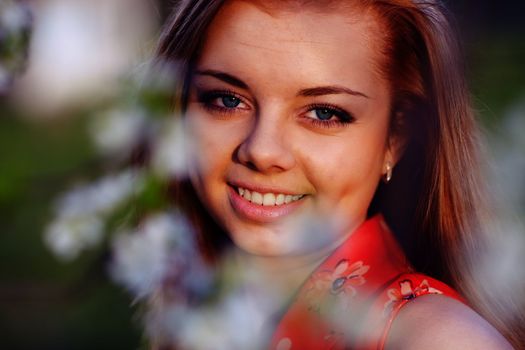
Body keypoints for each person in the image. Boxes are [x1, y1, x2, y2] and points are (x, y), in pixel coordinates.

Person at [152, 0, 523, 348]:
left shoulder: (437, 339)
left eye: (324, 113)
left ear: (395, 137)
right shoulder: (199, 313)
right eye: (227, 100)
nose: (262, 151)